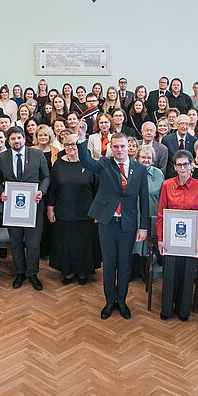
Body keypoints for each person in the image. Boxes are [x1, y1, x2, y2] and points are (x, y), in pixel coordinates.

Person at [76, 124, 149, 320]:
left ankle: (122, 301)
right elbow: (85, 160)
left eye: (122, 146)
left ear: (129, 146)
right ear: (111, 148)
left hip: (128, 225)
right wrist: (82, 138)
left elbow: (144, 199)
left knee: (124, 265)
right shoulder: (104, 165)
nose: (119, 150)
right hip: (107, 223)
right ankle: (109, 302)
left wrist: (143, 227)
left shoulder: (140, 169)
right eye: (115, 146)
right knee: (109, 265)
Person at [0, 126, 51, 290]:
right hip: (12, 208)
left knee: (33, 244)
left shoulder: (37, 154)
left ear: (24, 139)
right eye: (13, 139)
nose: (16, 141)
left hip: (34, 206)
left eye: (19, 138)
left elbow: (46, 177)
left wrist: (41, 191)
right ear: (8, 141)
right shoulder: (1, 157)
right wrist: (2, 192)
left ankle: (33, 274)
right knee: (16, 242)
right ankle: (20, 273)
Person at [157, 150, 198, 321]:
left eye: (186, 164)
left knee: (187, 274)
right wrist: (160, 239)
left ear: (192, 165)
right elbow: (161, 214)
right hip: (171, 238)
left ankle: (184, 310)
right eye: (179, 164)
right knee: (170, 273)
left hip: (191, 240)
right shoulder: (166, 185)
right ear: (174, 167)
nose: (183, 167)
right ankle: (166, 310)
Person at [47, 134, 100, 285]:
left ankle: (83, 272)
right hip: (64, 212)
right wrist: (50, 208)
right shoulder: (58, 164)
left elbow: (99, 190)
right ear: (63, 147)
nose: (71, 147)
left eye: (74, 144)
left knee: (84, 243)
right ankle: (68, 272)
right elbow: (52, 189)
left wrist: (98, 211)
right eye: (67, 145)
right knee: (67, 242)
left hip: (86, 213)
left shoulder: (91, 164)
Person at [131, 144, 164, 281]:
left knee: (147, 244)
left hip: (151, 213)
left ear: (153, 159)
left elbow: (163, 195)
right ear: (137, 158)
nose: (146, 160)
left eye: (149, 157)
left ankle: (145, 270)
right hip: (133, 214)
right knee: (133, 243)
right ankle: (131, 271)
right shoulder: (131, 171)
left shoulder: (158, 174)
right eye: (143, 157)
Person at [162, 114, 197, 178]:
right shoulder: (166, 140)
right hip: (171, 177)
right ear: (176, 125)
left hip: (188, 176)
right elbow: (164, 162)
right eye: (182, 124)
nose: (184, 126)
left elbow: (194, 160)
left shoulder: (193, 140)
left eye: (187, 124)